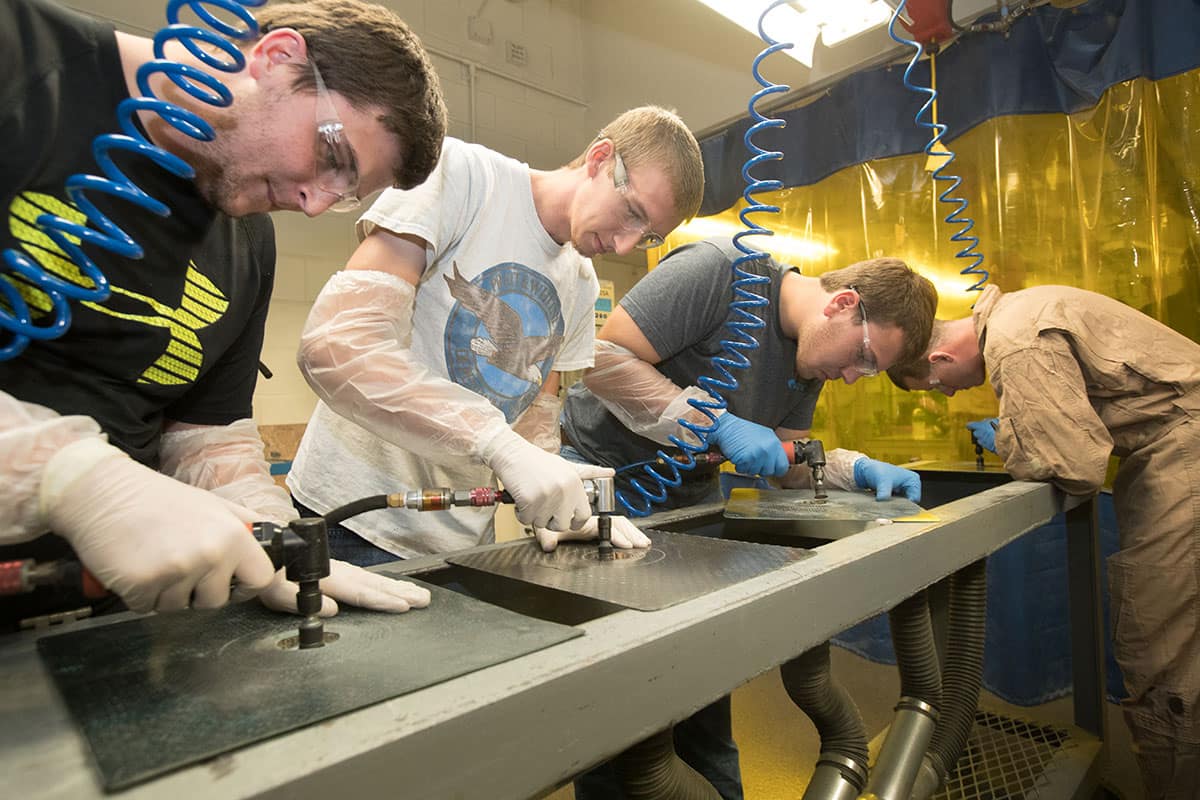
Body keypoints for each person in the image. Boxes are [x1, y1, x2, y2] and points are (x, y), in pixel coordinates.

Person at [0, 0, 448, 627]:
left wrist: (278, 541)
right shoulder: (20, 58)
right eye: (333, 157)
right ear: (277, 57)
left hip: (92, 617)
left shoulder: (246, 241)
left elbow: (205, 433)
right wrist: (71, 481)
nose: (315, 204)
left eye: (345, 193)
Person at [559, 237, 937, 799]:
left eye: (870, 370)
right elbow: (600, 359)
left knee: (704, 694)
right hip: (603, 488)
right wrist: (713, 422)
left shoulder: (811, 360)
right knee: (626, 715)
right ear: (843, 304)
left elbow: (786, 465)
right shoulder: (716, 274)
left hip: (688, 499)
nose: (855, 376)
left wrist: (849, 469)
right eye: (863, 357)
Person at [287, 106, 704, 563]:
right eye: (631, 213)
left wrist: (564, 504)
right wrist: (494, 441)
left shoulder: (580, 282)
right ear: (600, 159)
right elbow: (339, 344)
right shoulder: (463, 177)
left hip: (462, 540)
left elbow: (535, 415)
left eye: (646, 236)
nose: (625, 245)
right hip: (351, 518)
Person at [887, 283, 1200, 798]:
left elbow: (1072, 466)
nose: (950, 393)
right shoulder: (1022, 312)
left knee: (1162, 652)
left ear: (940, 355)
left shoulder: (1014, 342)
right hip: (1169, 444)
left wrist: (1013, 434)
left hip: (1181, 452)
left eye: (938, 384)